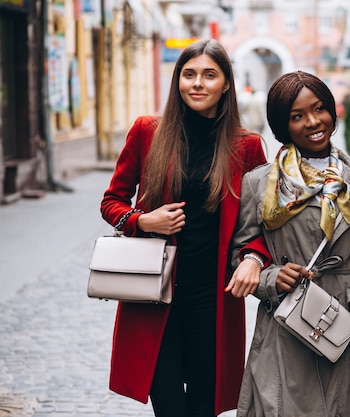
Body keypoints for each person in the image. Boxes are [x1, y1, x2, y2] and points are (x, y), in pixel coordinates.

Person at [100, 39, 271, 417]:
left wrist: (255, 258)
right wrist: (143, 220)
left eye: (209, 75)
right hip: (154, 293)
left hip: (214, 297)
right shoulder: (148, 132)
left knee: (204, 405)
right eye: (188, 74)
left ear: (226, 84)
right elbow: (112, 202)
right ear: (177, 80)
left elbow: (263, 223)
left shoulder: (247, 147)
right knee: (169, 404)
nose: (197, 83)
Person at [230, 70, 350, 417]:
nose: (313, 122)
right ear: (283, 125)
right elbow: (241, 253)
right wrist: (270, 278)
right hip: (286, 326)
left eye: (320, 109)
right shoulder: (259, 185)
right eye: (297, 116)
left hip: (349, 326)